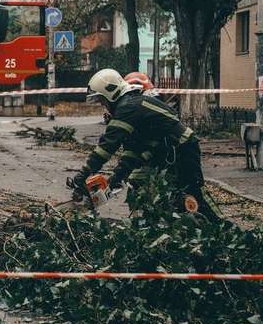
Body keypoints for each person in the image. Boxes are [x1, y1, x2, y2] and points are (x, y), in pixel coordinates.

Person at [69, 68, 220, 219]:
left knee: (190, 193)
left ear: (111, 92)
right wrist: (116, 178)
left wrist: (83, 174)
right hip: (166, 150)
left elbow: (107, 146)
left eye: (103, 100)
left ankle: (218, 226)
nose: (104, 105)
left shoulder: (128, 107)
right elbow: (133, 151)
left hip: (182, 148)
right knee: (162, 193)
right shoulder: (132, 105)